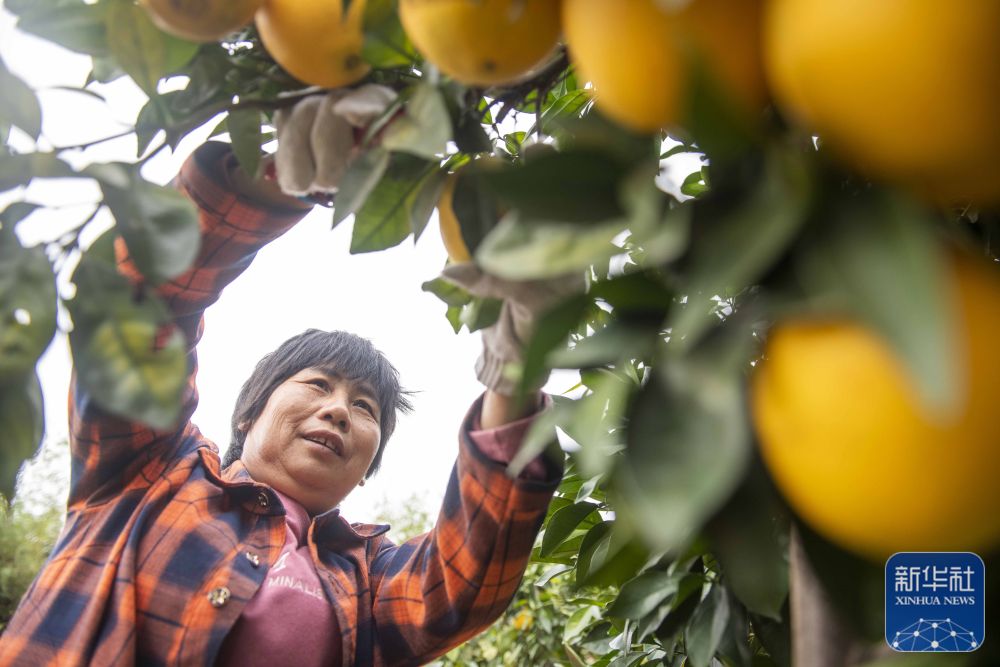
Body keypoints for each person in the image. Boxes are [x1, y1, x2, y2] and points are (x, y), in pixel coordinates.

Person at [0, 87, 573, 666]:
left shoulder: (367, 580)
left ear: (367, 465)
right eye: (318, 384)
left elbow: (465, 575)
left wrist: (515, 367)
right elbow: (139, 307)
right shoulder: (151, 472)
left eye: (366, 407)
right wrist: (279, 175)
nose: (339, 410)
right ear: (249, 412)